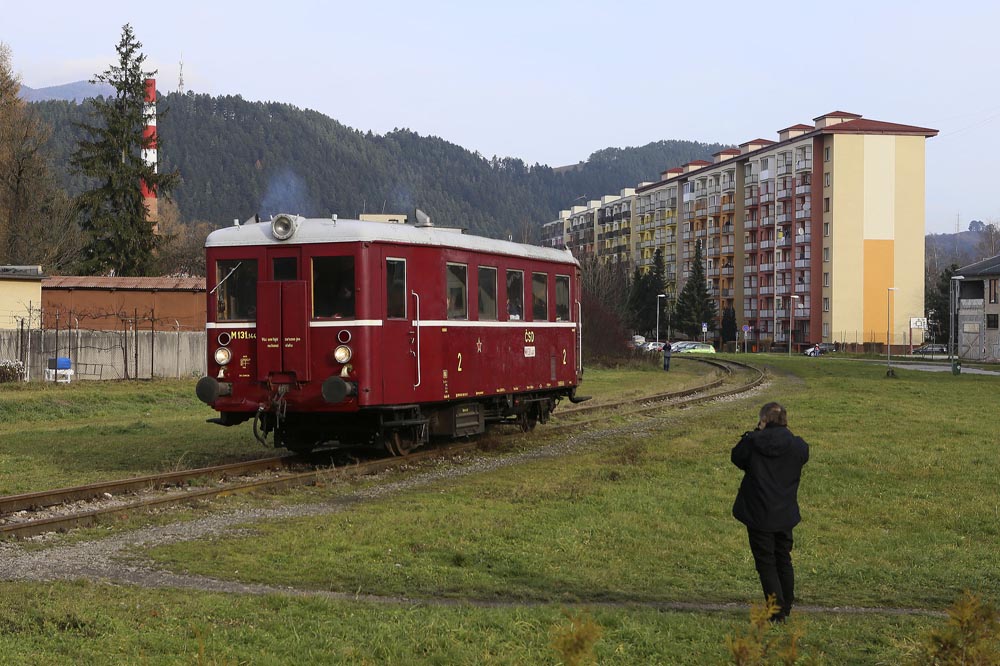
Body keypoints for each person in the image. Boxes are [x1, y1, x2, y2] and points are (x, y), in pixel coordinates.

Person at [731, 402, 809, 622]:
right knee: (783, 558)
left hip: (758, 513)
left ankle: (776, 612)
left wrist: (756, 433)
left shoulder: (753, 443)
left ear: (763, 420)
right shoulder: (797, 446)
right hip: (785, 512)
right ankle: (786, 605)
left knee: (766, 562)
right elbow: (804, 455)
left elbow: (736, 457)